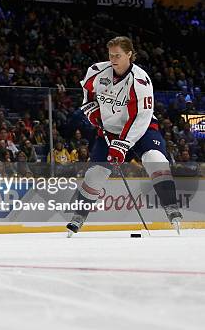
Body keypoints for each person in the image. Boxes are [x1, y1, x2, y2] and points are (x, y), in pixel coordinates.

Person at [67, 36, 183, 236]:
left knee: (155, 159)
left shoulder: (141, 80)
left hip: (142, 128)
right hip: (110, 129)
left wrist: (121, 146)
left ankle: (171, 207)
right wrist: (92, 112)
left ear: (129, 54)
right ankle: (79, 215)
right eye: (110, 55)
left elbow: (141, 117)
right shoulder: (96, 71)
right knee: (96, 174)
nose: (113, 59)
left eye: (118, 55)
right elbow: (88, 95)